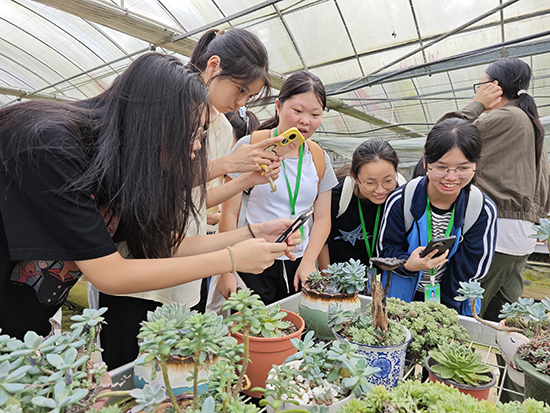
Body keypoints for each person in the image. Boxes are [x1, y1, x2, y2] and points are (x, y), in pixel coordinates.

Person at [0, 53, 299, 362]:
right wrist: (231, 259)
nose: (197, 146)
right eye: (192, 133)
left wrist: (252, 233)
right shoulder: (52, 146)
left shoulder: (125, 169)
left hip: (25, 329)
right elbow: (109, 274)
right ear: (153, 121)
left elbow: (165, 246)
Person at [438, 57, 550, 321]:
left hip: (496, 231)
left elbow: (443, 138)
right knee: (501, 319)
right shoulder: (530, 122)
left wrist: (477, 104)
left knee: (462, 312)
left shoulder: (503, 118)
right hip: (522, 238)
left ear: (494, 87)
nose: (479, 90)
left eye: (481, 85)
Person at [218, 71, 338, 305]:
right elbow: (229, 213)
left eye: (315, 114)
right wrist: (226, 269)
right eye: (298, 111)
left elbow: (323, 218)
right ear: (278, 106)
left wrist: (308, 261)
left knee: (295, 323)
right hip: (252, 259)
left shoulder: (318, 157)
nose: (306, 121)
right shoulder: (251, 146)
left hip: (298, 262)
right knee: (255, 325)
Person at [377, 118, 497, 315]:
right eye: (441, 167)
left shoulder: (481, 209)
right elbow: (386, 249)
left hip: (451, 304)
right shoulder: (401, 200)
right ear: (426, 163)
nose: (451, 177)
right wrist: (408, 264)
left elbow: (472, 269)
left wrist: (441, 312)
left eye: (463, 168)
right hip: (399, 302)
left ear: (475, 165)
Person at [318, 139, 400, 272]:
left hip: (384, 276)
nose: (380, 190)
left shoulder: (399, 196)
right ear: (355, 178)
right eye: (370, 183)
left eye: (388, 181)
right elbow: (322, 241)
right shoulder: (336, 196)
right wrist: (327, 278)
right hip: (342, 276)